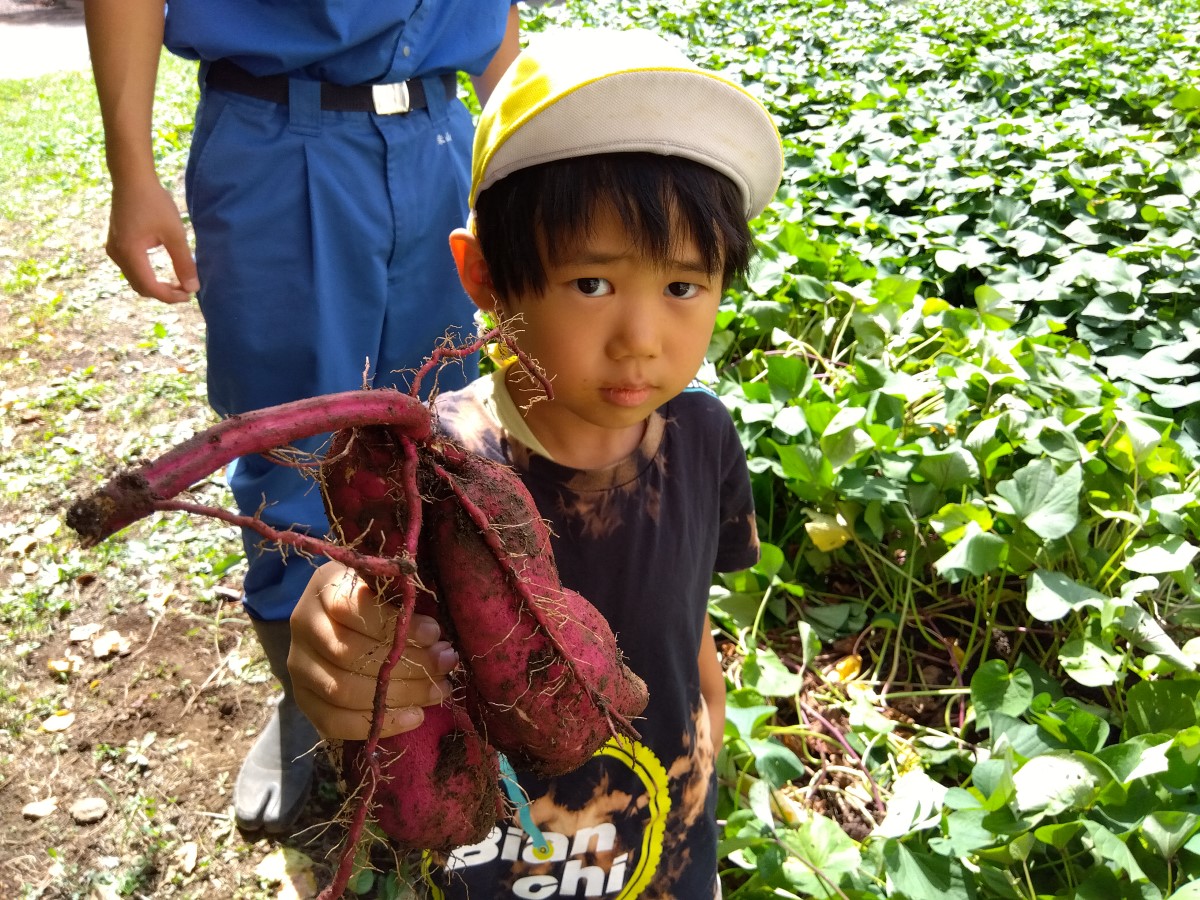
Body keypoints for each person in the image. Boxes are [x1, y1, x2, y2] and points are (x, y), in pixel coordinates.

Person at [288, 26, 784, 897]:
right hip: (500, 857)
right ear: (483, 276)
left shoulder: (705, 436)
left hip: (666, 836)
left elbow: (688, 618)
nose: (640, 340)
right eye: (591, 284)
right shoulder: (434, 467)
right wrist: (331, 638)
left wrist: (710, 722)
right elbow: (362, 623)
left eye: (683, 285)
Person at [83, 0, 526, 834]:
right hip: (279, 139)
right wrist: (130, 166)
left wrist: (520, 147)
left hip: (448, 139)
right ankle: (307, 690)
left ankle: (443, 676)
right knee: (296, 444)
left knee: (450, 432)